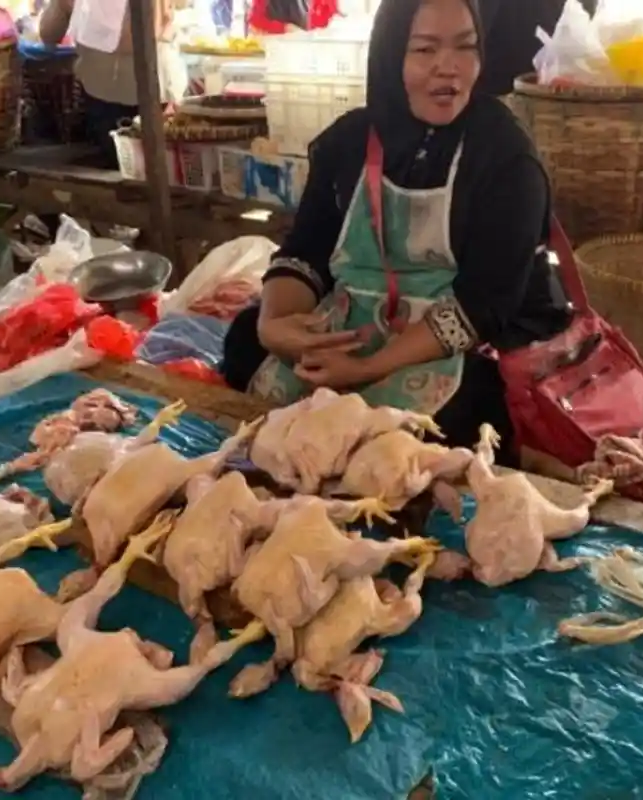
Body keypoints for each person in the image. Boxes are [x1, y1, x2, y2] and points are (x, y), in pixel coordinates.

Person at [220, 0, 572, 465]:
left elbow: (484, 306)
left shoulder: (505, 159)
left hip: (450, 334)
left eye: (465, 48)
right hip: (363, 318)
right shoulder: (349, 142)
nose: (449, 68)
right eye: (424, 49)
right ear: (391, 55)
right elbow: (305, 250)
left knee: (469, 412)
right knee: (244, 338)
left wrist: (366, 368)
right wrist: (277, 327)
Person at [39, 0, 176, 168]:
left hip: (149, 99)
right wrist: (65, 5)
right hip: (98, 98)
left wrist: (86, 14)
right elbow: (48, 34)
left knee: (148, 171)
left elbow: (139, 38)